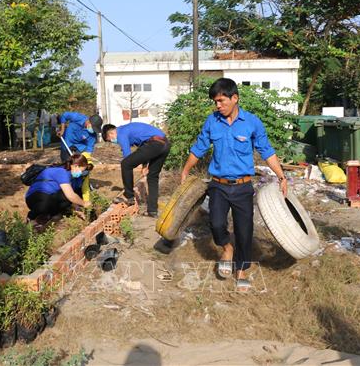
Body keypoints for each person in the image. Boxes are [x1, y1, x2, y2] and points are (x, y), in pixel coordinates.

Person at [180, 78, 287, 292]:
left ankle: (242, 270)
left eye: (221, 101)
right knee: (217, 224)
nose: (218, 106)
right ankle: (227, 248)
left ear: (234, 98)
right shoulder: (212, 121)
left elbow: (266, 150)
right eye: (215, 102)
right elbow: (199, 147)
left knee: (244, 230)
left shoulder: (252, 122)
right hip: (218, 185)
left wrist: (281, 176)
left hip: (243, 187)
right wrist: (185, 170)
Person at [102, 121, 170, 217]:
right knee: (152, 177)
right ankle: (152, 211)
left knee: (125, 164)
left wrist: (128, 164)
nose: (113, 142)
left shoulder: (121, 132)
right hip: (165, 144)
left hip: (154, 144)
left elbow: (127, 156)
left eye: (109, 140)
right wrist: (144, 166)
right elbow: (144, 147)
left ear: (111, 133)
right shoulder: (130, 130)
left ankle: (129, 197)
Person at [25, 153, 92, 229]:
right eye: (81, 170)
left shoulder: (69, 174)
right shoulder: (62, 172)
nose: (81, 173)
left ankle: (49, 216)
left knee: (66, 198)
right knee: (46, 203)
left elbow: (69, 197)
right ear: (76, 166)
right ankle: (31, 217)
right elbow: (71, 196)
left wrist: (77, 209)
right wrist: (84, 203)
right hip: (35, 197)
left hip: (48, 196)